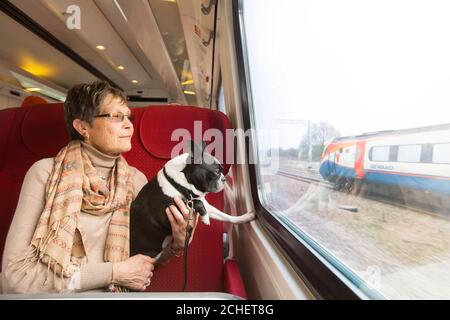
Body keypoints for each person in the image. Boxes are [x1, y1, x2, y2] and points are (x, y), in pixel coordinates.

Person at [1, 80, 198, 294]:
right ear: (83, 127)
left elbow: (142, 264)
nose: (128, 125)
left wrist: (176, 244)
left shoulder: (135, 180)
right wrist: (113, 272)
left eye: (128, 117)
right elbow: (14, 279)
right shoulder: (44, 173)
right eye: (116, 117)